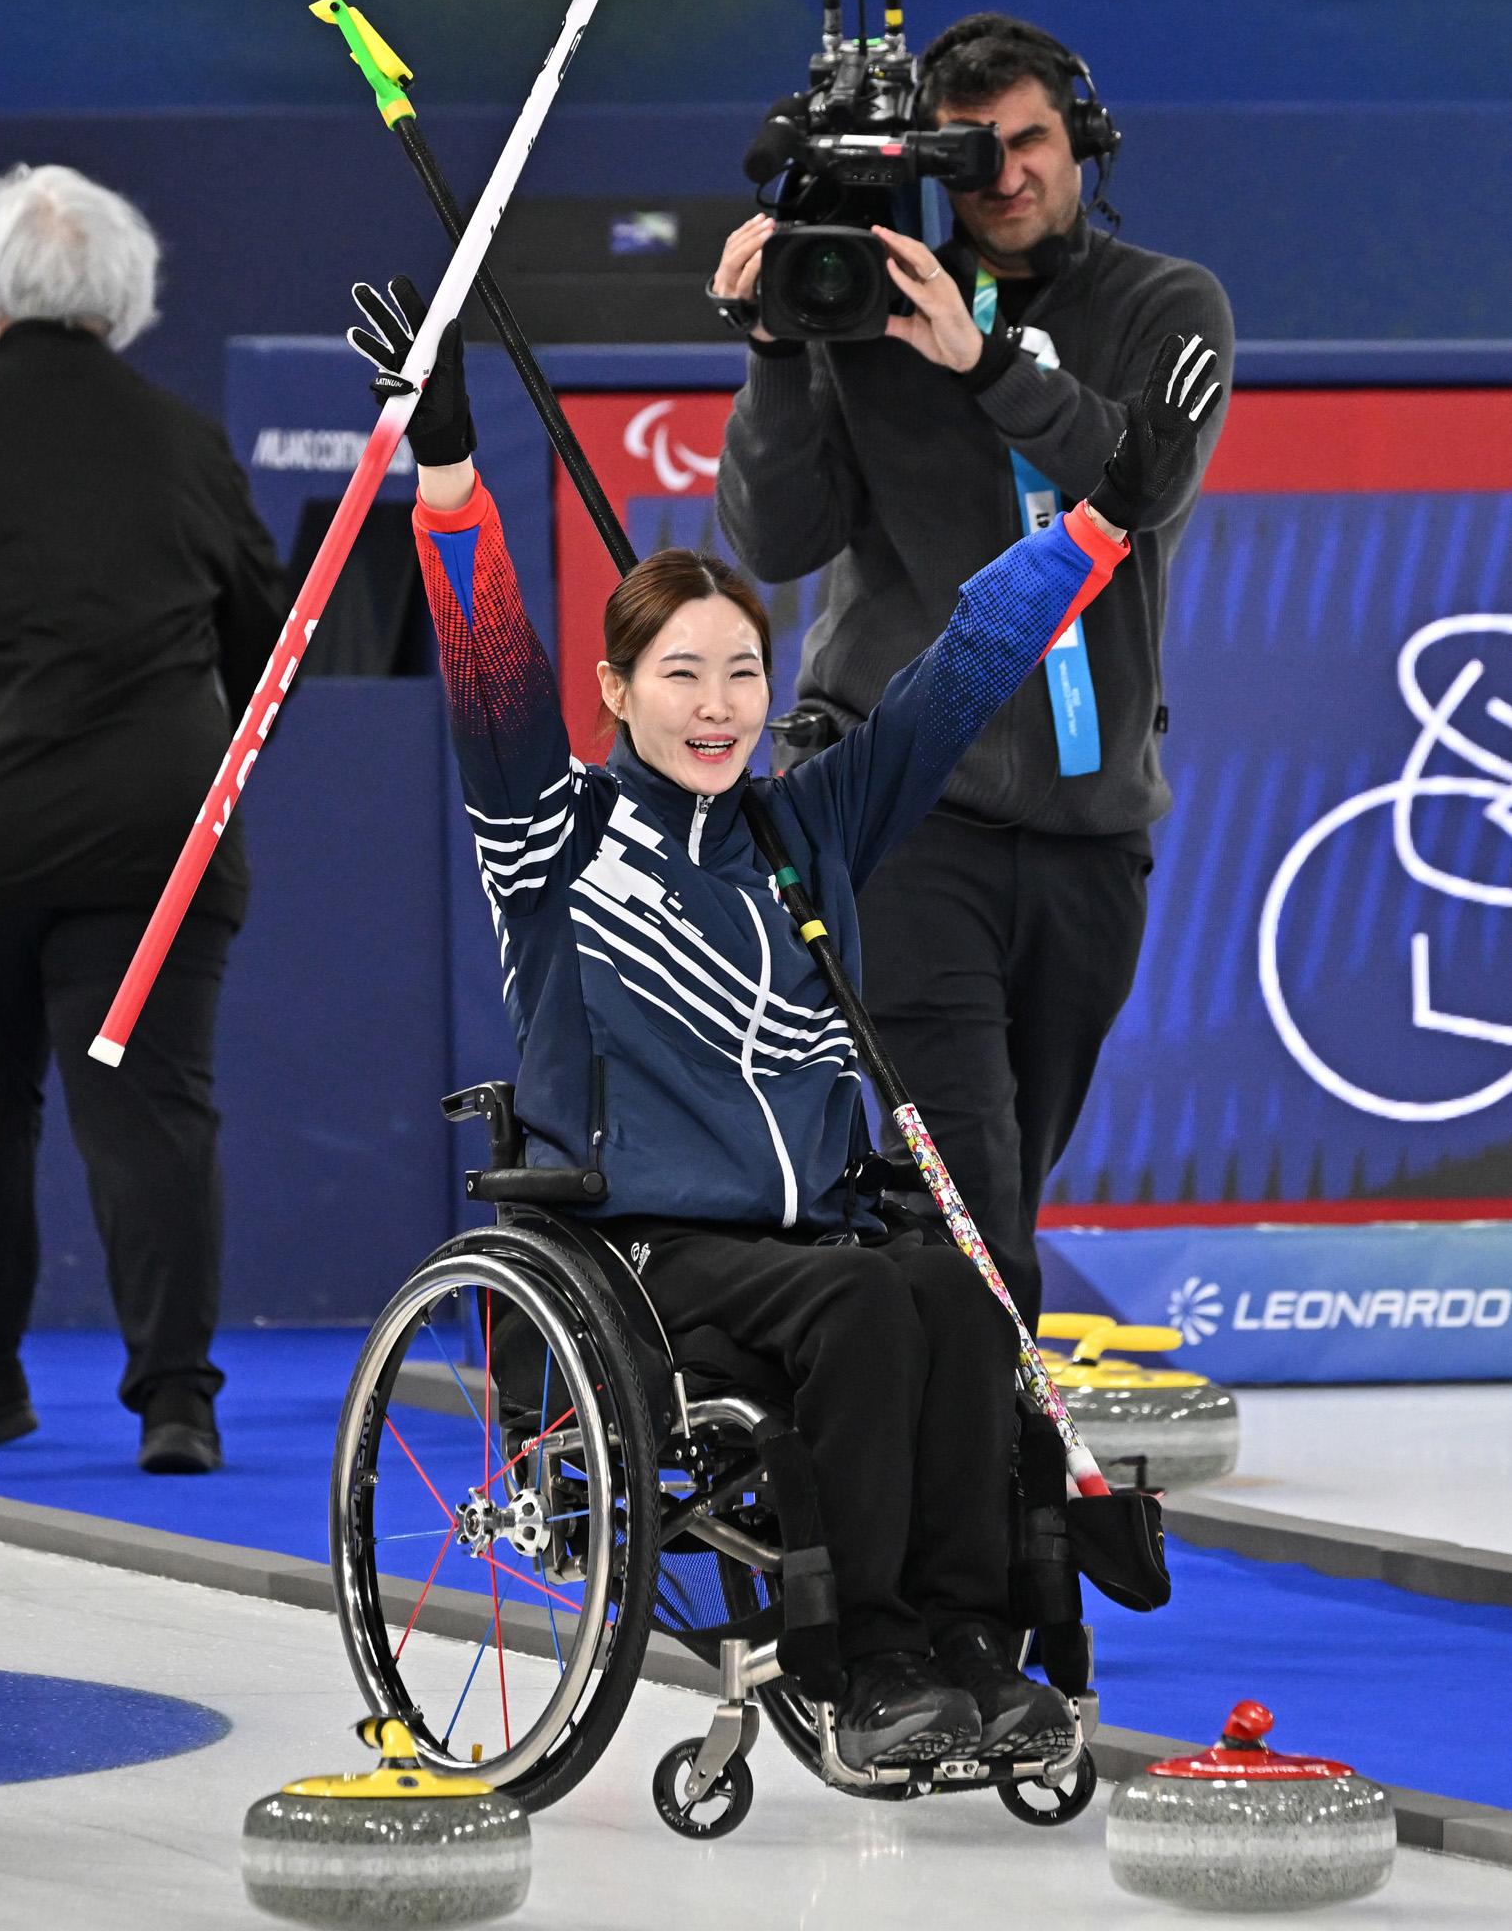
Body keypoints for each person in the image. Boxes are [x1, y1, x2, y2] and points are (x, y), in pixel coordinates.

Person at [351, 269, 1218, 1766]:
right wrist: (446, 472)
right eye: (678, 674)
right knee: (876, 1301)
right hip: (642, 1255)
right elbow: (489, 672)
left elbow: (959, 675)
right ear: (615, 691)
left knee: (954, 1290)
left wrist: (1100, 521)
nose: (715, 703)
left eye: (741, 672)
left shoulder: (807, 828)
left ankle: (964, 1642)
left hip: (810, 1242)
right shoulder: (546, 838)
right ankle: (861, 1664)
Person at [712, 15, 1234, 1332]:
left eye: (1034, 142)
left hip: (1088, 831)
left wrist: (984, 363)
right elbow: (775, 540)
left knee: (993, 1188)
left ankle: (890, 1426)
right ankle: (998, 1508)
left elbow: (1144, 486)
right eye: (977, 153)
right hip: (906, 804)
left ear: (1085, 143)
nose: (1007, 176)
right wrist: (780, 347)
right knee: (968, 1194)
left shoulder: (1168, 304)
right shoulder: (874, 295)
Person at [0, 165, 290, 1470]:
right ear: (126, 293)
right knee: (153, 1112)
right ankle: (178, 1398)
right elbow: (264, 642)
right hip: (154, 834)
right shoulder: (185, 440)